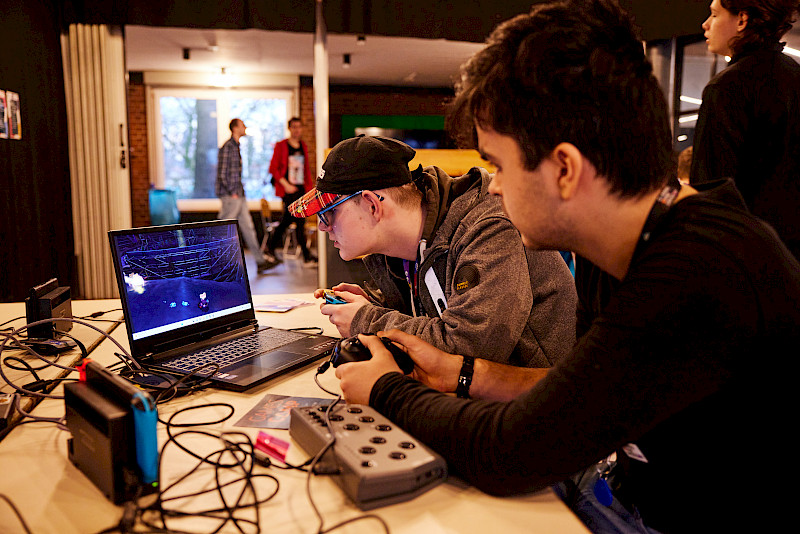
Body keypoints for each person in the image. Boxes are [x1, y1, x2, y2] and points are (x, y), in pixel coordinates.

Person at [332, 1, 800, 533]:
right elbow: (578, 391)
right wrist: (463, 373)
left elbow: (510, 453)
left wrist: (385, 390)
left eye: (501, 165)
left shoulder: (698, 272)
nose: (496, 186)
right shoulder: (629, 243)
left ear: (564, 169)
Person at [288, 134, 577, 368]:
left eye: (328, 213)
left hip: (537, 409)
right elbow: (434, 317)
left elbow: (471, 350)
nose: (323, 227)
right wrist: (375, 307)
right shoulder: (402, 248)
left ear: (372, 205)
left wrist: (368, 319)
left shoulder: (487, 228)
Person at [690, 0, 800, 258]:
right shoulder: (795, 76)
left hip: (747, 260)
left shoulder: (727, 88)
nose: (705, 24)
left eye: (715, 15)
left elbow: (711, 191)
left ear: (742, 20)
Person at [216, 118, 277, 273]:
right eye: (242, 125)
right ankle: (215, 264)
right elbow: (222, 174)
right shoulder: (228, 147)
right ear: (235, 128)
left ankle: (260, 261)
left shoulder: (236, 147)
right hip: (232, 196)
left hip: (239, 194)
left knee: (248, 228)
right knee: (224, 229)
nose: (245, 128)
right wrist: (233, 192)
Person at [267, 117, 316, 264]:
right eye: (294, 127)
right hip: (288, 191)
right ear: (289, 128)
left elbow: (305, 169)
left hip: (300, 189)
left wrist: (310, 189)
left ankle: (272, 248)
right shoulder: (281, 145)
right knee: (290, 221)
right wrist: (286, 184)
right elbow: (273, 169)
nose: (297, 130)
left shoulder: (303, 146)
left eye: (299, 127)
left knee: (296, 222)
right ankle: (305, 255)